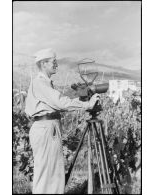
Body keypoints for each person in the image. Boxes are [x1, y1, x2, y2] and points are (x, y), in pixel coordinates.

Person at [25, 48, 100, 194]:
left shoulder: (45, 83)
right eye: (53, 62)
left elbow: (57, 102)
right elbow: (60, 103)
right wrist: (87, 104)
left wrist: (78, 99)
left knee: (53, 174)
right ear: (44, 64)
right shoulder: (40, 83)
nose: (56, 65)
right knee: (47, 175)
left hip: (48, 128)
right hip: (46, 129)